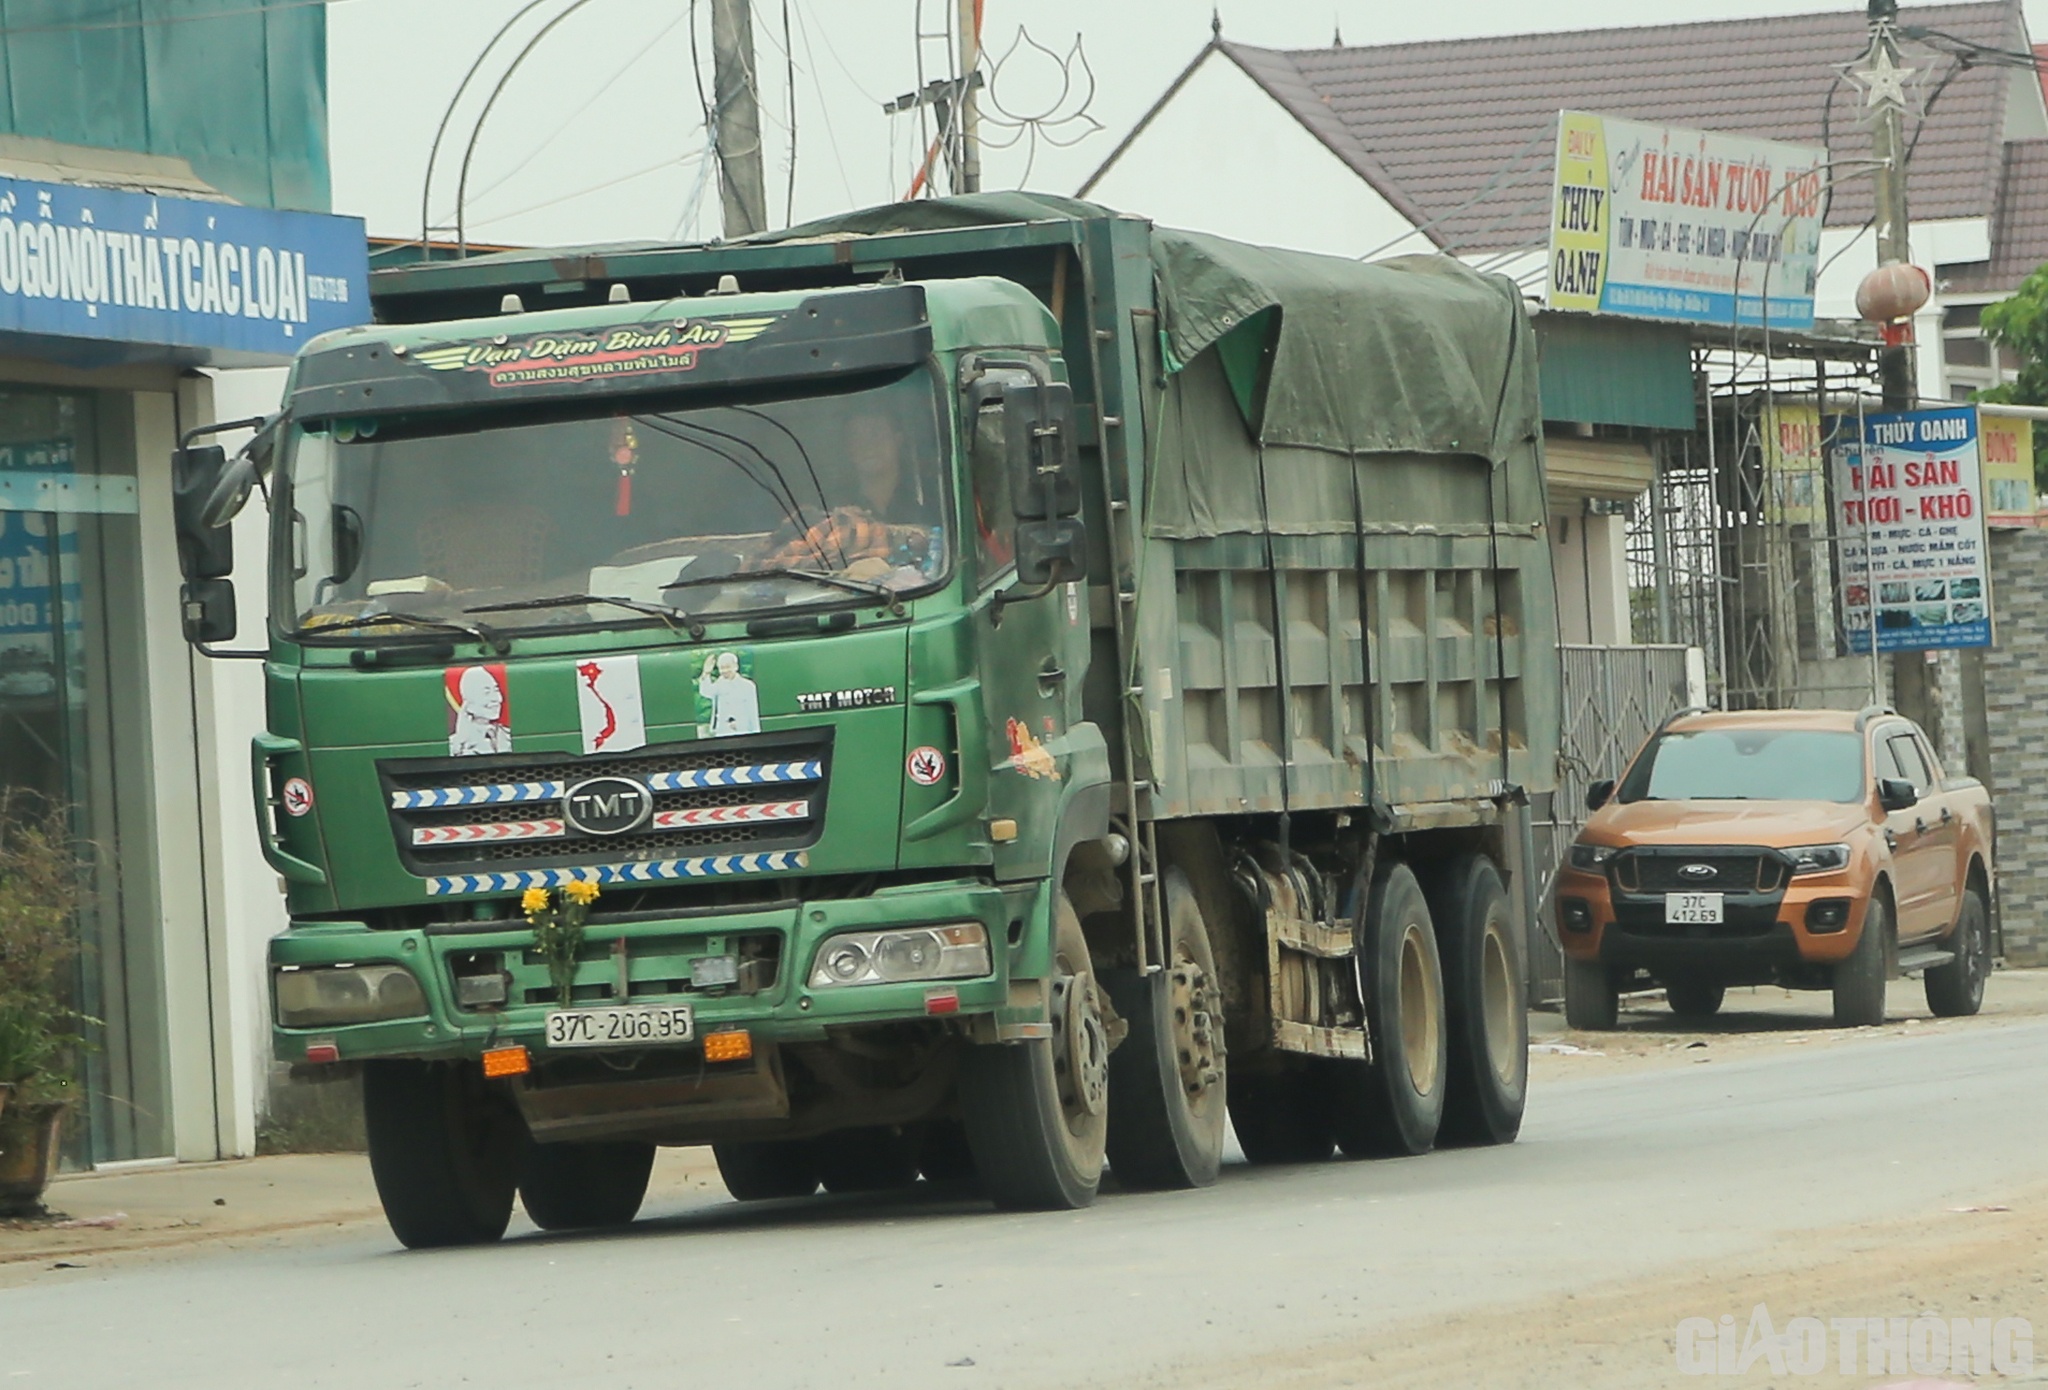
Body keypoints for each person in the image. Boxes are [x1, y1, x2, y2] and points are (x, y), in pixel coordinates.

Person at [752, 415, 923, 573]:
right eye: (857, 438)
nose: (868, 445)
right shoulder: (828, 508)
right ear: (849, 449)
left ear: (897, 440)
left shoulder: (928, 507)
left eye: (876, 434)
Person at [448, 665, 511, 756]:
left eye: (496, 690)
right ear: (467, 703)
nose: (497, 699)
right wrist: (462, 744)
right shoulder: (456, 744)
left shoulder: (508, 735)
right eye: (486, 692)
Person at [697, 650, 760, 737]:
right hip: (722, 731)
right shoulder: (719, 684)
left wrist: (756, 734)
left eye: (728, 667)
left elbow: (753, 713)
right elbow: (706, 692)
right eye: (721, 668)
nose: (725, 671)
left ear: (736, 666)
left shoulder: (748, 686)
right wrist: (707, 673)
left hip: (743, 731)